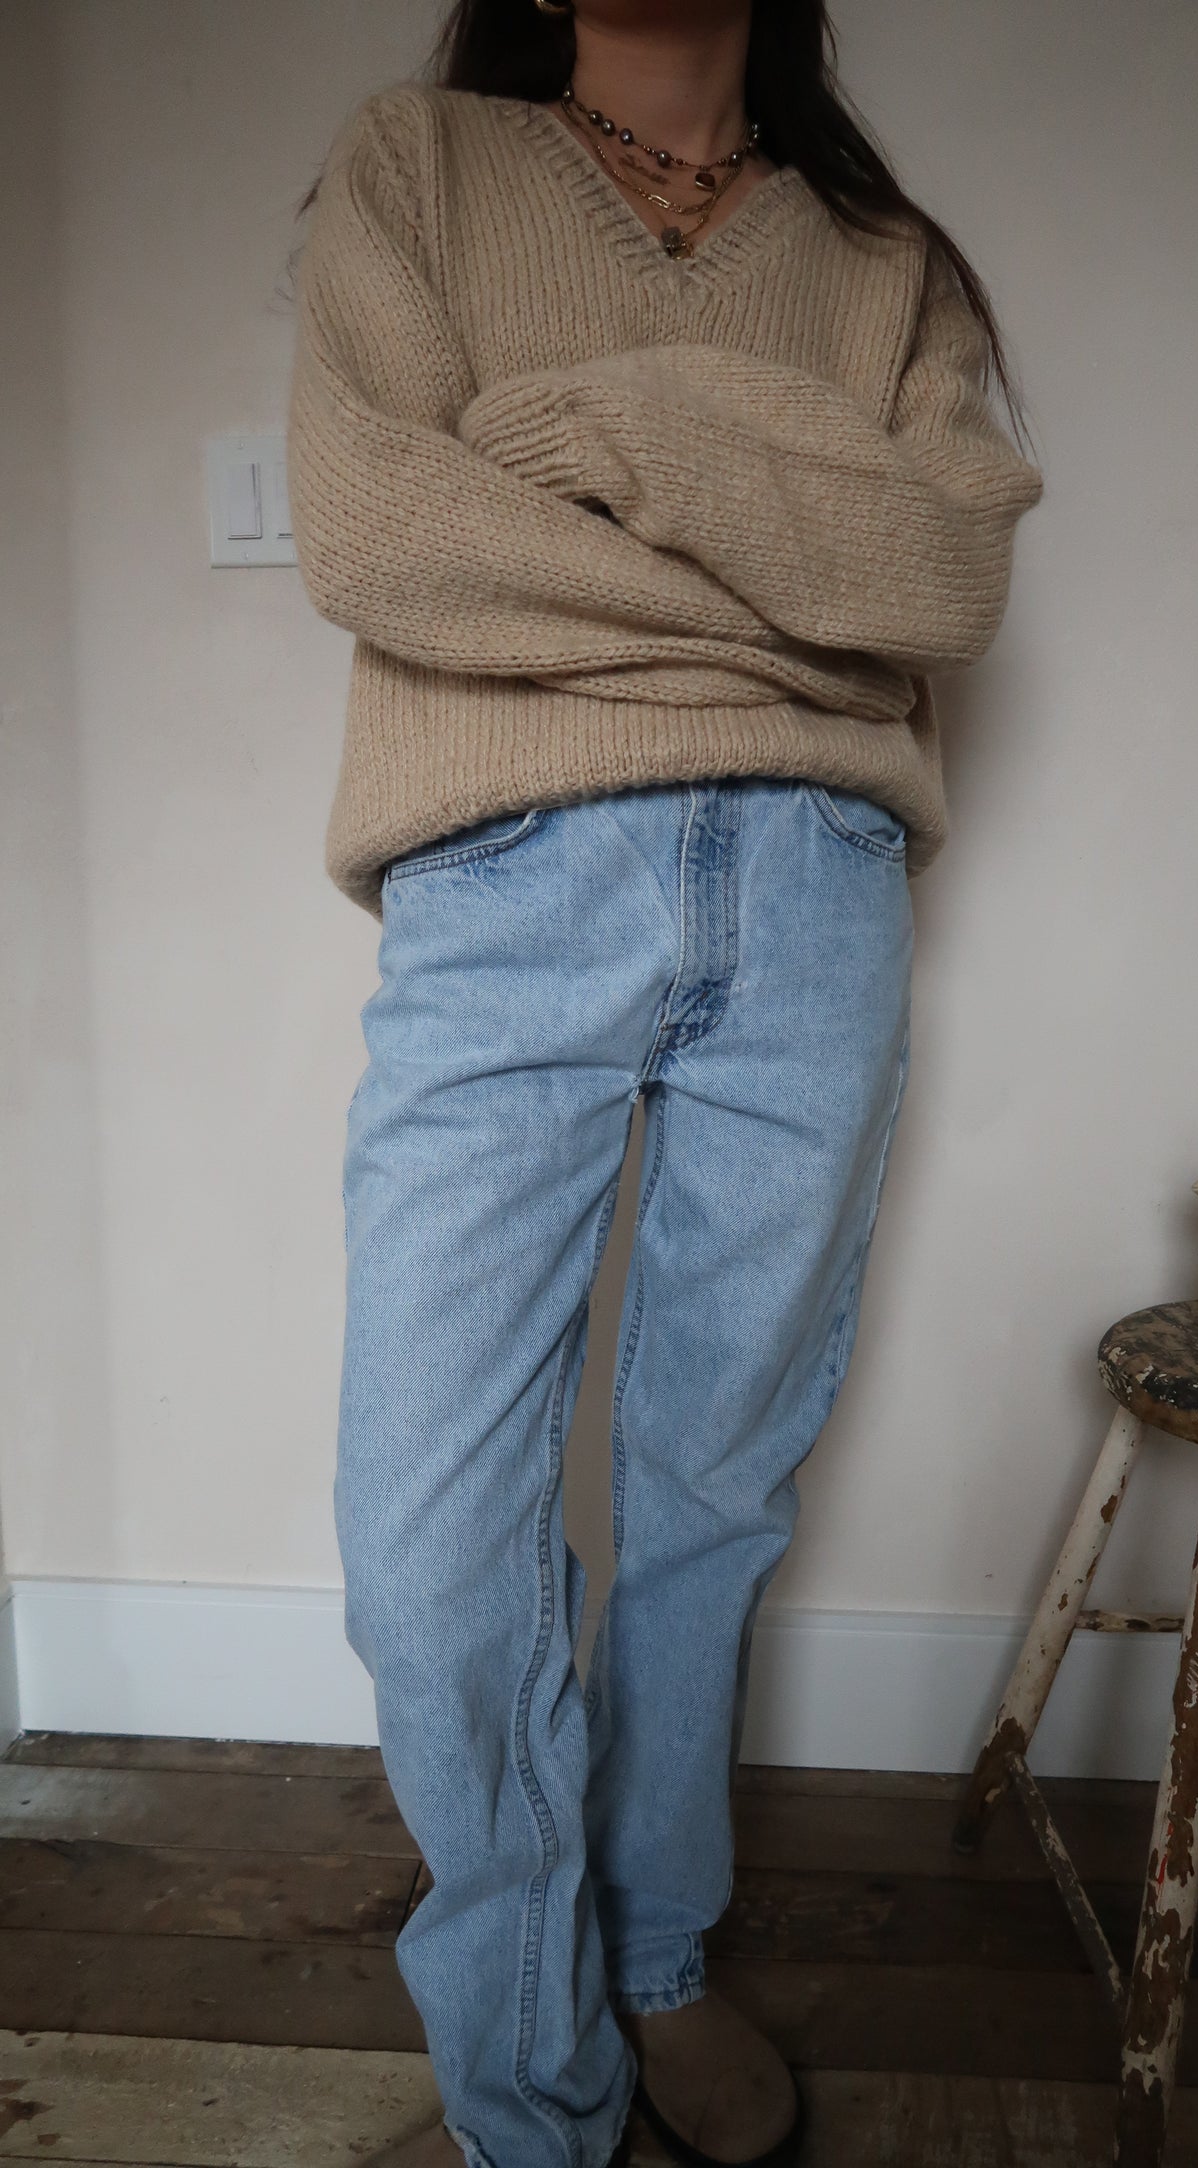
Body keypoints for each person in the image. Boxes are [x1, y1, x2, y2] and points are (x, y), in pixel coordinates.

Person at [286, 1, 1041, 2162]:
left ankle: (657, 1951)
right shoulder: (419, 168)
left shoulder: (880, 261)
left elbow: (949, 577)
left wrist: (613, 428)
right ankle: (529, 2078)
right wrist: (792, 592)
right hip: (505, 881)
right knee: (431, 1535)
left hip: (815, 897)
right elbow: (378, 533)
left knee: (709, 1480)